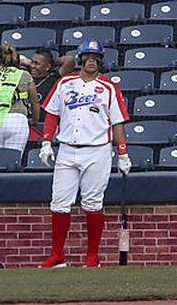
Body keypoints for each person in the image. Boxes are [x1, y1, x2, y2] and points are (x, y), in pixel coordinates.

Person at [37, 39, 131, 269]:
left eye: (95, 57)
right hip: (67, 149)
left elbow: (118, 122)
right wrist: (46, 142)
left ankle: (92, 257)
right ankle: (57, 255)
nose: (91, 61)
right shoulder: (65, 83)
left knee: (92, 203)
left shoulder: (109, 88)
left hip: (97, 150)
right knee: (59, 202)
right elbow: (52, 114)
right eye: (87, 57)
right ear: (80, 60)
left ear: (100, 60)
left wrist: (123, 153)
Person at [0, 44, 39, 155]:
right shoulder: (24, 75)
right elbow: (35, 102)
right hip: (16, 120)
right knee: (13, 160)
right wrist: (34, 120)